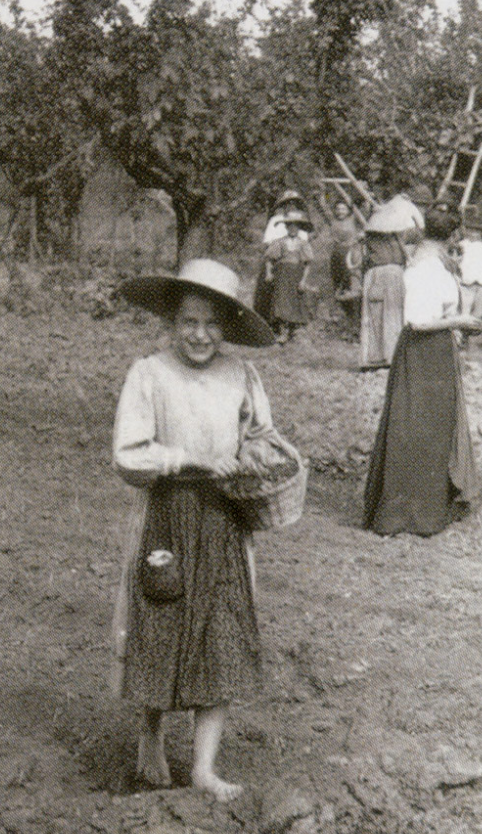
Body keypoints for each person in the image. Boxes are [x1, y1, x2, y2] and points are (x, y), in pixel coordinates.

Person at [111, 259, 278, 802]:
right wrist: (193, 459)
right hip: (168, 517)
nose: (199, 334)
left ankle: (205, 767)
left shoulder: (241, 376)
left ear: (226, 326)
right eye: (188, 321)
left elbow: (260, 434)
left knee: (223, 633)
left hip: (224, 521)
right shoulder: (150, 374)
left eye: (211, 323)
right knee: (161, 623)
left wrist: (253, 452)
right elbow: (128, 454)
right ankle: (151, 735)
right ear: (172, 321)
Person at [363, 203, 482, 536]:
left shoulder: (432, 264)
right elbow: (417, 321)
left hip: (436, 352)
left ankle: (428, 505)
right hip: (423, 352)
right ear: (455, 234)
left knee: (431, 426)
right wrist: (460, 321)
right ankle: (409, 513)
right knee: (417, 426)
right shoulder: (426, 269)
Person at [359, 221, 408, 370]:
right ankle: (376, 357)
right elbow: (364, 259)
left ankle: (392, 355)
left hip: (394, 274)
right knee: (377, 316)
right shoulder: (369, 237)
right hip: (379, 274)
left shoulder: (400, 236)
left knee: (393, 315)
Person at [264, 209, 314, 343]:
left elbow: (308, 263)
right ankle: (282, 331)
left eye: (296, 226)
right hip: (282, 275)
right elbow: (269, 259)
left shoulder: (303, 244)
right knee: (281, 300)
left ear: (299, 228)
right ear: (286, 227)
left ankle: (294, 331)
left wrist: (303, 280)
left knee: (295, 301)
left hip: (296, 275)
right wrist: (269, 272)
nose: (293, 229)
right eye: (290, 226)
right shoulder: (279, 242)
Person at [458, 210, 482, 344]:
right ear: (466, 231)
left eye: (477, 232)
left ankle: (471, 340)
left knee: (478, 312)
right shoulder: (463, 245)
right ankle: (461, 338)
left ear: (481, 233)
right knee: (464, 311)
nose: (474, 234)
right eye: (471, 231)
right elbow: (458, 262)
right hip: (466, 283)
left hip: (481, 283)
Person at [329, 201, 362, 328]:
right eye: (338, 209)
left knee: (351, 282)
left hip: (350, 253)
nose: (340, 211)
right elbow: (322, 208)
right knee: (337, 282)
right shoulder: (332, 220)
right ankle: (342, 312)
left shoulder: (353, 219)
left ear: (348, 210)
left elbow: (361, 210)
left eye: (343, 209)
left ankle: (354, 315)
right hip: (337, 254)